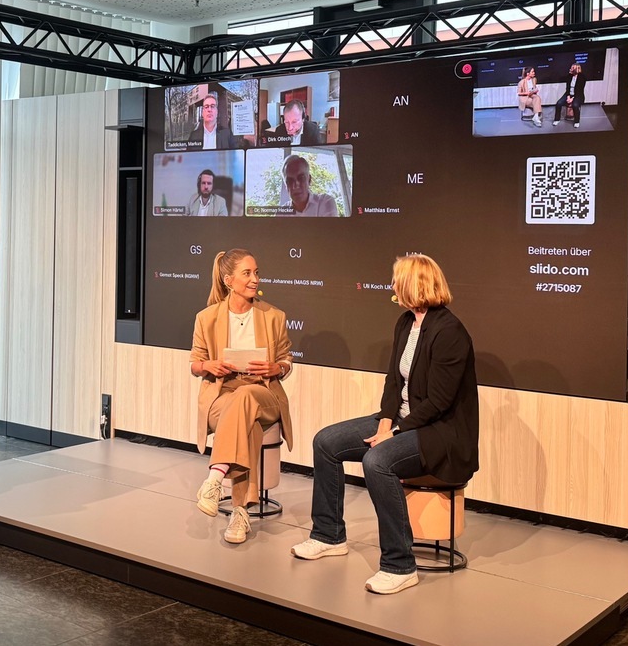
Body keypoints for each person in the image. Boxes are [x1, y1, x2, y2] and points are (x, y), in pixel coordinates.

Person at [290, 254, 479, 595]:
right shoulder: (406, 322)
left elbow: (439, 402)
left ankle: (399, 564)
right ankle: (329, 535)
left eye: (395, 279)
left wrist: (394, 433)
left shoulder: (450, 331)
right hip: (402, 421)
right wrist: (386, 422)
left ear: (412, 283)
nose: (391, 285)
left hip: (440, 432)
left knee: (377, 462)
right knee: (326, 442)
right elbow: (394, 381)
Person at [191, 249, 294, 544]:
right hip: (221, 394)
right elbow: (195, 363)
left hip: (264, 393)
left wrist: (278, 367)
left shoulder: (274, 316)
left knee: (247, 396)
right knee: (245, 422)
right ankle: (240, 513)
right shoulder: (206, 318)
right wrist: (208, 365)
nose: (254, 279)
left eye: (256, 272)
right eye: (247, 274)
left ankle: (214, 478)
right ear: (228, 280)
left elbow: (287, 360)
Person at [553, 63, 587, 128]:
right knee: (559, 103)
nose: (571, 69)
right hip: (569, 94)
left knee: (575, 105)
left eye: (572, 68)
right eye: (571, 68)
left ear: (577, 68)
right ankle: (556, 119)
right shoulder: (569, 76)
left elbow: (579, 90)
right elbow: (567, 88)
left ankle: (577, 121)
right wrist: (568, 96)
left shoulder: (582, 77)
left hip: (578, 95)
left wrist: (572, 98)